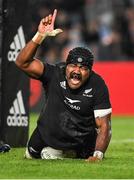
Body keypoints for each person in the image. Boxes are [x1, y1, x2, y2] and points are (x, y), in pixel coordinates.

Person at [15, 9, 112, 162]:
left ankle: (70, 152)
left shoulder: (97, 85)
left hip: (81, 140)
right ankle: (60, 151)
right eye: (73, 66)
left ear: (90, 71)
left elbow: (105, 126)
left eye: (83, 68)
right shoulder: (55, 73)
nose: (77, 71)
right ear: (65, 66)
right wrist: (40, 35)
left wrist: (98, 155)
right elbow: (22, 62)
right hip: (47, 132)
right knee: (30, 155)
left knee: (51, 156)